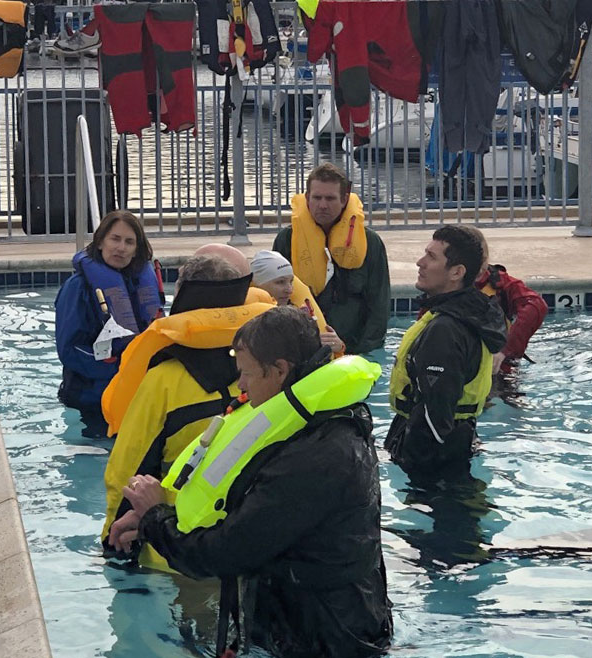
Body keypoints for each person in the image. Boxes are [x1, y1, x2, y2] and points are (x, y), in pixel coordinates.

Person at [109, 306, 393, 658]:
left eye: (245, 374)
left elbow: (226, 552)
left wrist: (155, 518)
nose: (240, 385)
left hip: (325, 637)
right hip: (321, 618)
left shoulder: (316, 457)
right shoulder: (321, 421)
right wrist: (160, 516)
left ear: (279, 371)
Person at [101, 254, 273, 564]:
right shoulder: (266, 372)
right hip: (253, 543)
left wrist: (111, 542)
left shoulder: (162, 381)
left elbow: (128, 469)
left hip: (177, 547)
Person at [385, 225, 507, 476]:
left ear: (456, 272)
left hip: (433, 465)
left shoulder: (445, 330)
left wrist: (416, 471)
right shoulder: (470, 313)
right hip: (456, 447)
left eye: (431, 257)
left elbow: (434, 417)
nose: (420, 263)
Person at [54, 210, 161, 437]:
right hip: (91, 396)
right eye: (115, 239)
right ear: (100, 241)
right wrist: (119, 369)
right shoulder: (77, 287)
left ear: (136, 250)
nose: (121, 248)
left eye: (129, 242)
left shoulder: (141, 285)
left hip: (136, 392)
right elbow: (69, 349)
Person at [272, 163, 390, 355]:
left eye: (330, 198)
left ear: (344, 200)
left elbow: (379, 308)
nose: (323, 205)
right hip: (302, 348)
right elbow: (275, 301)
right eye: (317, 198)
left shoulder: (371, 243)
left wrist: (361, 354)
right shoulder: (286, 240)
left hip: (353, 351)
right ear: (307, 198)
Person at [473, 235, 547, 373]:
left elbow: (536, 305)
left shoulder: (502, 283)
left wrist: (506, 350)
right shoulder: (442, 285)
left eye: (481, 259)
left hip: (498, 364)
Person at [250, 249, 344, 354]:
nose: (289, 290)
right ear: (257, 285)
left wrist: (338, 348)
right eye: (280, 282)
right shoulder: (250, 324)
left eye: (291, 282)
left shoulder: (299, 314)